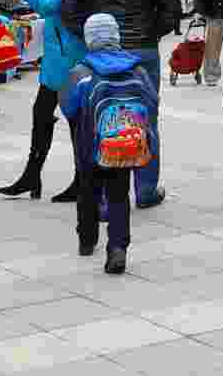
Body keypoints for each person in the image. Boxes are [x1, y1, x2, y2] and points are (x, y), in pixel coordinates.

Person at [62, 0, 181, 209]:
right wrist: (150, 33)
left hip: (100, 53)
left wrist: (91, 36)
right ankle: (145, 189)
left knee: (100, 116)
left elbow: (69, 11)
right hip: (142, 51)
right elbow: (172, 11)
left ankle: (103, 195)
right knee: (146, 118)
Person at [0, 0, 89, 202]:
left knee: (74, 119)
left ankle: (78, 180)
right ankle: (33, 175)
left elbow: (48, 6)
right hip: (59, 55)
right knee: (43, 115)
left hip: (67, 57)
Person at [60, 14, 157, 274]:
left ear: (89, 39)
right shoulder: (137, 70)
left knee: (88, 192)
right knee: (118, 195)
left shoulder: (81, 72)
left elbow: (68, 108)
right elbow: (151, 102)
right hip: (126, 148)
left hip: (89, 147)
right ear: (116, 37)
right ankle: (117, 248)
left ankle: (87, 239)